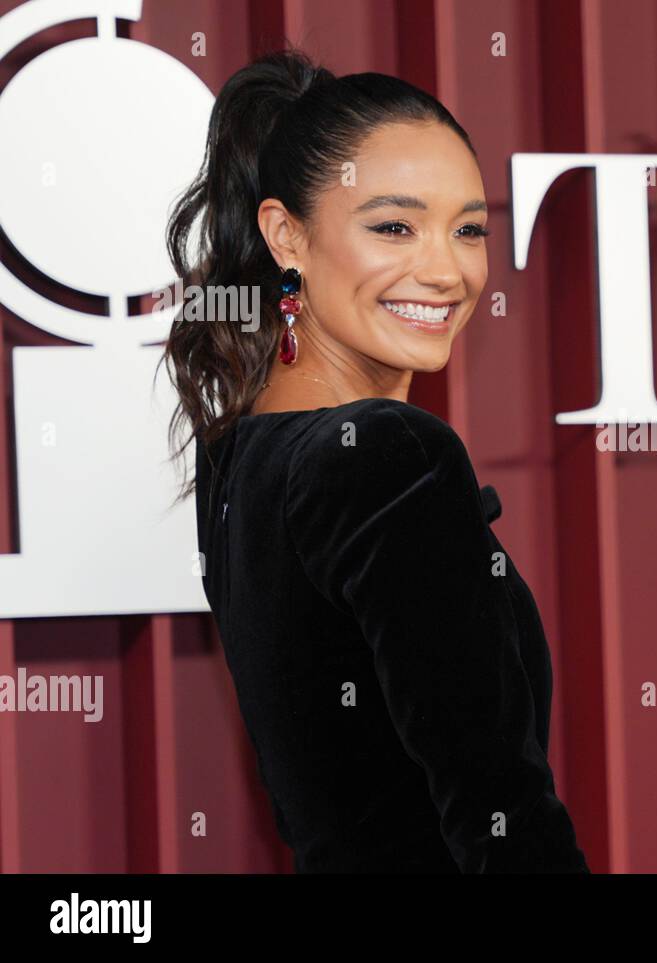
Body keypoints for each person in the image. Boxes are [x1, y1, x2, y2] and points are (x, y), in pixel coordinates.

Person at [159, 49, 589, 873]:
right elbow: (501, 814)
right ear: (286, 234)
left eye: (469, 228)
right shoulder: (387, 457)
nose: (445, 269)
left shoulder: (236, 457)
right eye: (394, 226)